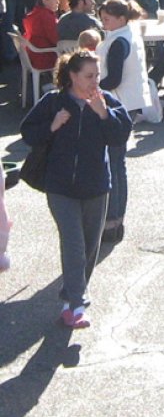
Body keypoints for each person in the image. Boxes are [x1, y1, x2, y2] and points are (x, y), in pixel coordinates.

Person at [19, 50, 132, 328]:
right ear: (72, 76)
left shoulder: (106, 102)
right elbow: (28, 132)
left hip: (96, 185)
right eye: (89, 76)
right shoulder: (53, 101)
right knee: (74, 243)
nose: (95, 81)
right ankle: (76, 304)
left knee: (90, 246)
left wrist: (104, 114)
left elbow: (120, 136)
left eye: (97, 75)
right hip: (60, 187)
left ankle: (73, 296)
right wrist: (52, 125)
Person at [97, 0, 150, 244]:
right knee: (118, 163)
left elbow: (113, 79)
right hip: (130, 103)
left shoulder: (119, 41)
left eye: (107, 19)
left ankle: (112, 221)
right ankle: (116, 221)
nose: (103, 23)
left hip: (120, 104)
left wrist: (90, 86)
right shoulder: (129, 33)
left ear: (120, 18)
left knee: (114, 164)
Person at [22, 0, 60, 68]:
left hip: (32, 55)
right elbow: (55, 39)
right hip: (44, 57)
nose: (58, 2)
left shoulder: (34, 14)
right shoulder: (46, 16)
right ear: (44, 1)